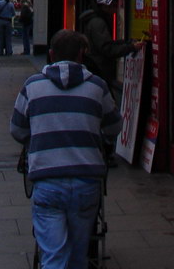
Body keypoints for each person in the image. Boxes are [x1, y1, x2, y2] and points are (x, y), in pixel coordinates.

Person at [10, 29, 121, 269]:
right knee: (78, 256)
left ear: (50, 54)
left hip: (47, 181)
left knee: (53, 256)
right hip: (86, 182)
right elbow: (114, 127)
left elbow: (17, 130)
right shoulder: (97, 86)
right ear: (81, 56)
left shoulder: (32, 86)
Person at [78, 0, 143, 95]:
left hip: (98, 69)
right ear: (105, 6)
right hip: (99, 69)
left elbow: (107, 44)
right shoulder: (98, 23)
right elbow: (107, 48)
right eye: (113, 5)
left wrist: (126, 43)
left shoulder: (96, 21)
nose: (116, 8)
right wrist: (131, 47)